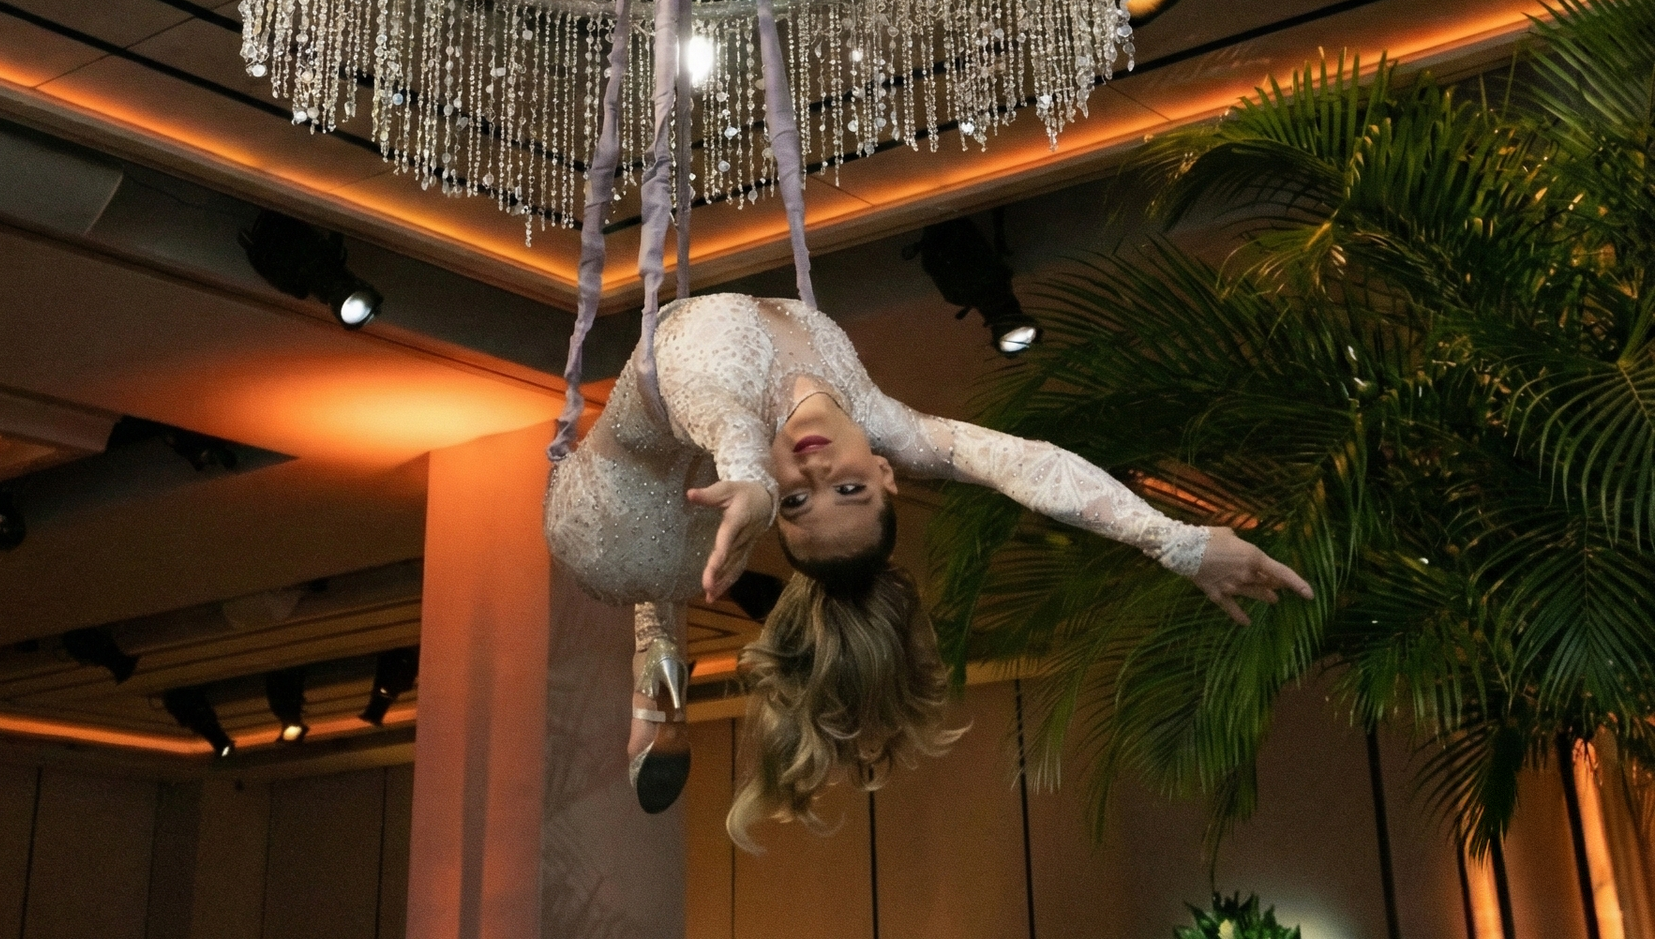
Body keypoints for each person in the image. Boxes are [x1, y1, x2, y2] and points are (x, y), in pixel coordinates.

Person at [544, 288, 1313, 844]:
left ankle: (660, 652)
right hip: (698, 509)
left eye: (798, 504)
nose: (810, 472)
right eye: (846, 488)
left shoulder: (745, 439)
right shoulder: (885, 426)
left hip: (610, 527)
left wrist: (749, 478)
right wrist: (1179, 544)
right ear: (885, 476)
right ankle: (659, 669)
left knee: (680, 551)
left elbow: (724, 410)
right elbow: (1027, 464)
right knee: (693, 547)